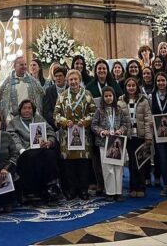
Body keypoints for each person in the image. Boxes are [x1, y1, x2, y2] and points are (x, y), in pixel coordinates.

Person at [7, 99, 61, 202]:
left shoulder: (38, 118)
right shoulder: (14, 122)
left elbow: (50, 130)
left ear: (33, 109)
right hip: (24, 150)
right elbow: (12, 137)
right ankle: (31, 191)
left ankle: (51, 186)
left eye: (29, 108)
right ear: (20, 110)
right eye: (24, 108)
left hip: (41, 147)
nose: (27, 110)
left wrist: (49, 141)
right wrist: (21, 149)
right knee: (30, 157)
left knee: (51, 154)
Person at [54, 69, 97, 199]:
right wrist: (64, 121)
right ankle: (72, 190)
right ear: (67, 81)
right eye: (71, 79)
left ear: (79, 80)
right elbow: (56, 114)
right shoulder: (62, 96)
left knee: (83, 164)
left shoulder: (87, 94)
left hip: (83, 135)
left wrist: (86, 121)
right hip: (67, 137)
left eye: (75, 79)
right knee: (69, 165)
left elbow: (94, 113)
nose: (73, 82)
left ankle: (83, 190)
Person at [92, 86, 130, 201]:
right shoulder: (99, 111)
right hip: (104, 142)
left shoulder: (119, 110)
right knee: (107, 168)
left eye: (110, 96)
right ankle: (110, 192)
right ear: (103, 98)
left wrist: (121, 131)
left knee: (118, 167)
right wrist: (102, 132)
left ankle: (118, 192)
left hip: (117, 141)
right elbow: (93, 125)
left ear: (114, 97)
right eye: (106, 96)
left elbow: (125, 124)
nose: (108, 98)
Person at [119, 77, 152, 198]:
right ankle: (133, 187)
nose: (131, 88)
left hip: (140, 136)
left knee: (141, 163)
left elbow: (148, 119)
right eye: (129, 86)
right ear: (126, 87)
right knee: (132, 163)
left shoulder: (144, 100)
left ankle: (141, 187)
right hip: (128, 137)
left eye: (133, 85)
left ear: (137, 87)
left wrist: (148, 137)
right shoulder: (120, 101)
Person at [0, 56, 45, 121]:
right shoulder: (8, 82)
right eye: (21, 65)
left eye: (25, 64)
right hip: (14, 117)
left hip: (31, 116)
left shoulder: (33, 81)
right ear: (14, 66)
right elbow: (2, 100)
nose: (24, 66)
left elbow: (41, 97)